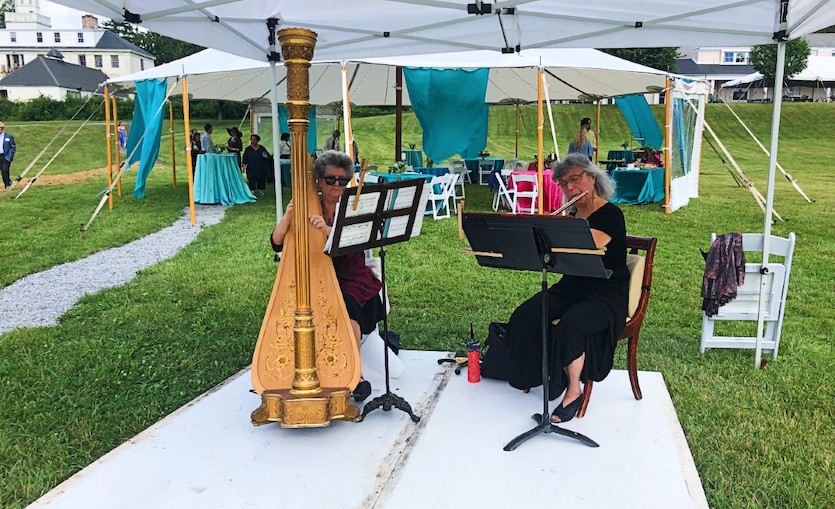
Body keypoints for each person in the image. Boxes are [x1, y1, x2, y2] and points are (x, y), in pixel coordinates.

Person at [503, 153, 628, 423]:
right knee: (526, 314)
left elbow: (590, 244)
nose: (570, 188)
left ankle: (574, 391)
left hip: (606, 292)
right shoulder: (571, 214)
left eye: (575, 179)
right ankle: (537, 374)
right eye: (563, 183)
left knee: (572, 325)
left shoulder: (611, 214)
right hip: (573, 286)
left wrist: (557, 230)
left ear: (592, 178)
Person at [269, 150, 383, 402]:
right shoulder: (307, 206)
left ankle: (355, 375)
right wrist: (288, 216)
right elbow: (276, 244)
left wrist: (328, 230)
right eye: (330, 179)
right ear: (319, 180)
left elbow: (354, 243)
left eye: (342, 181)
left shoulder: (353, 207)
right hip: (315, 274)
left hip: (351, 275)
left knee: (346, 305)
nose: (336, 186)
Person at [0, 121, 16, 189]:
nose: (0, 129)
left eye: (1, 128)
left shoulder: (9, 136)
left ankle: (7, 184)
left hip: (5, 156)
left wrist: (10, 156)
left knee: (4, 170)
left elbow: (13, 147)